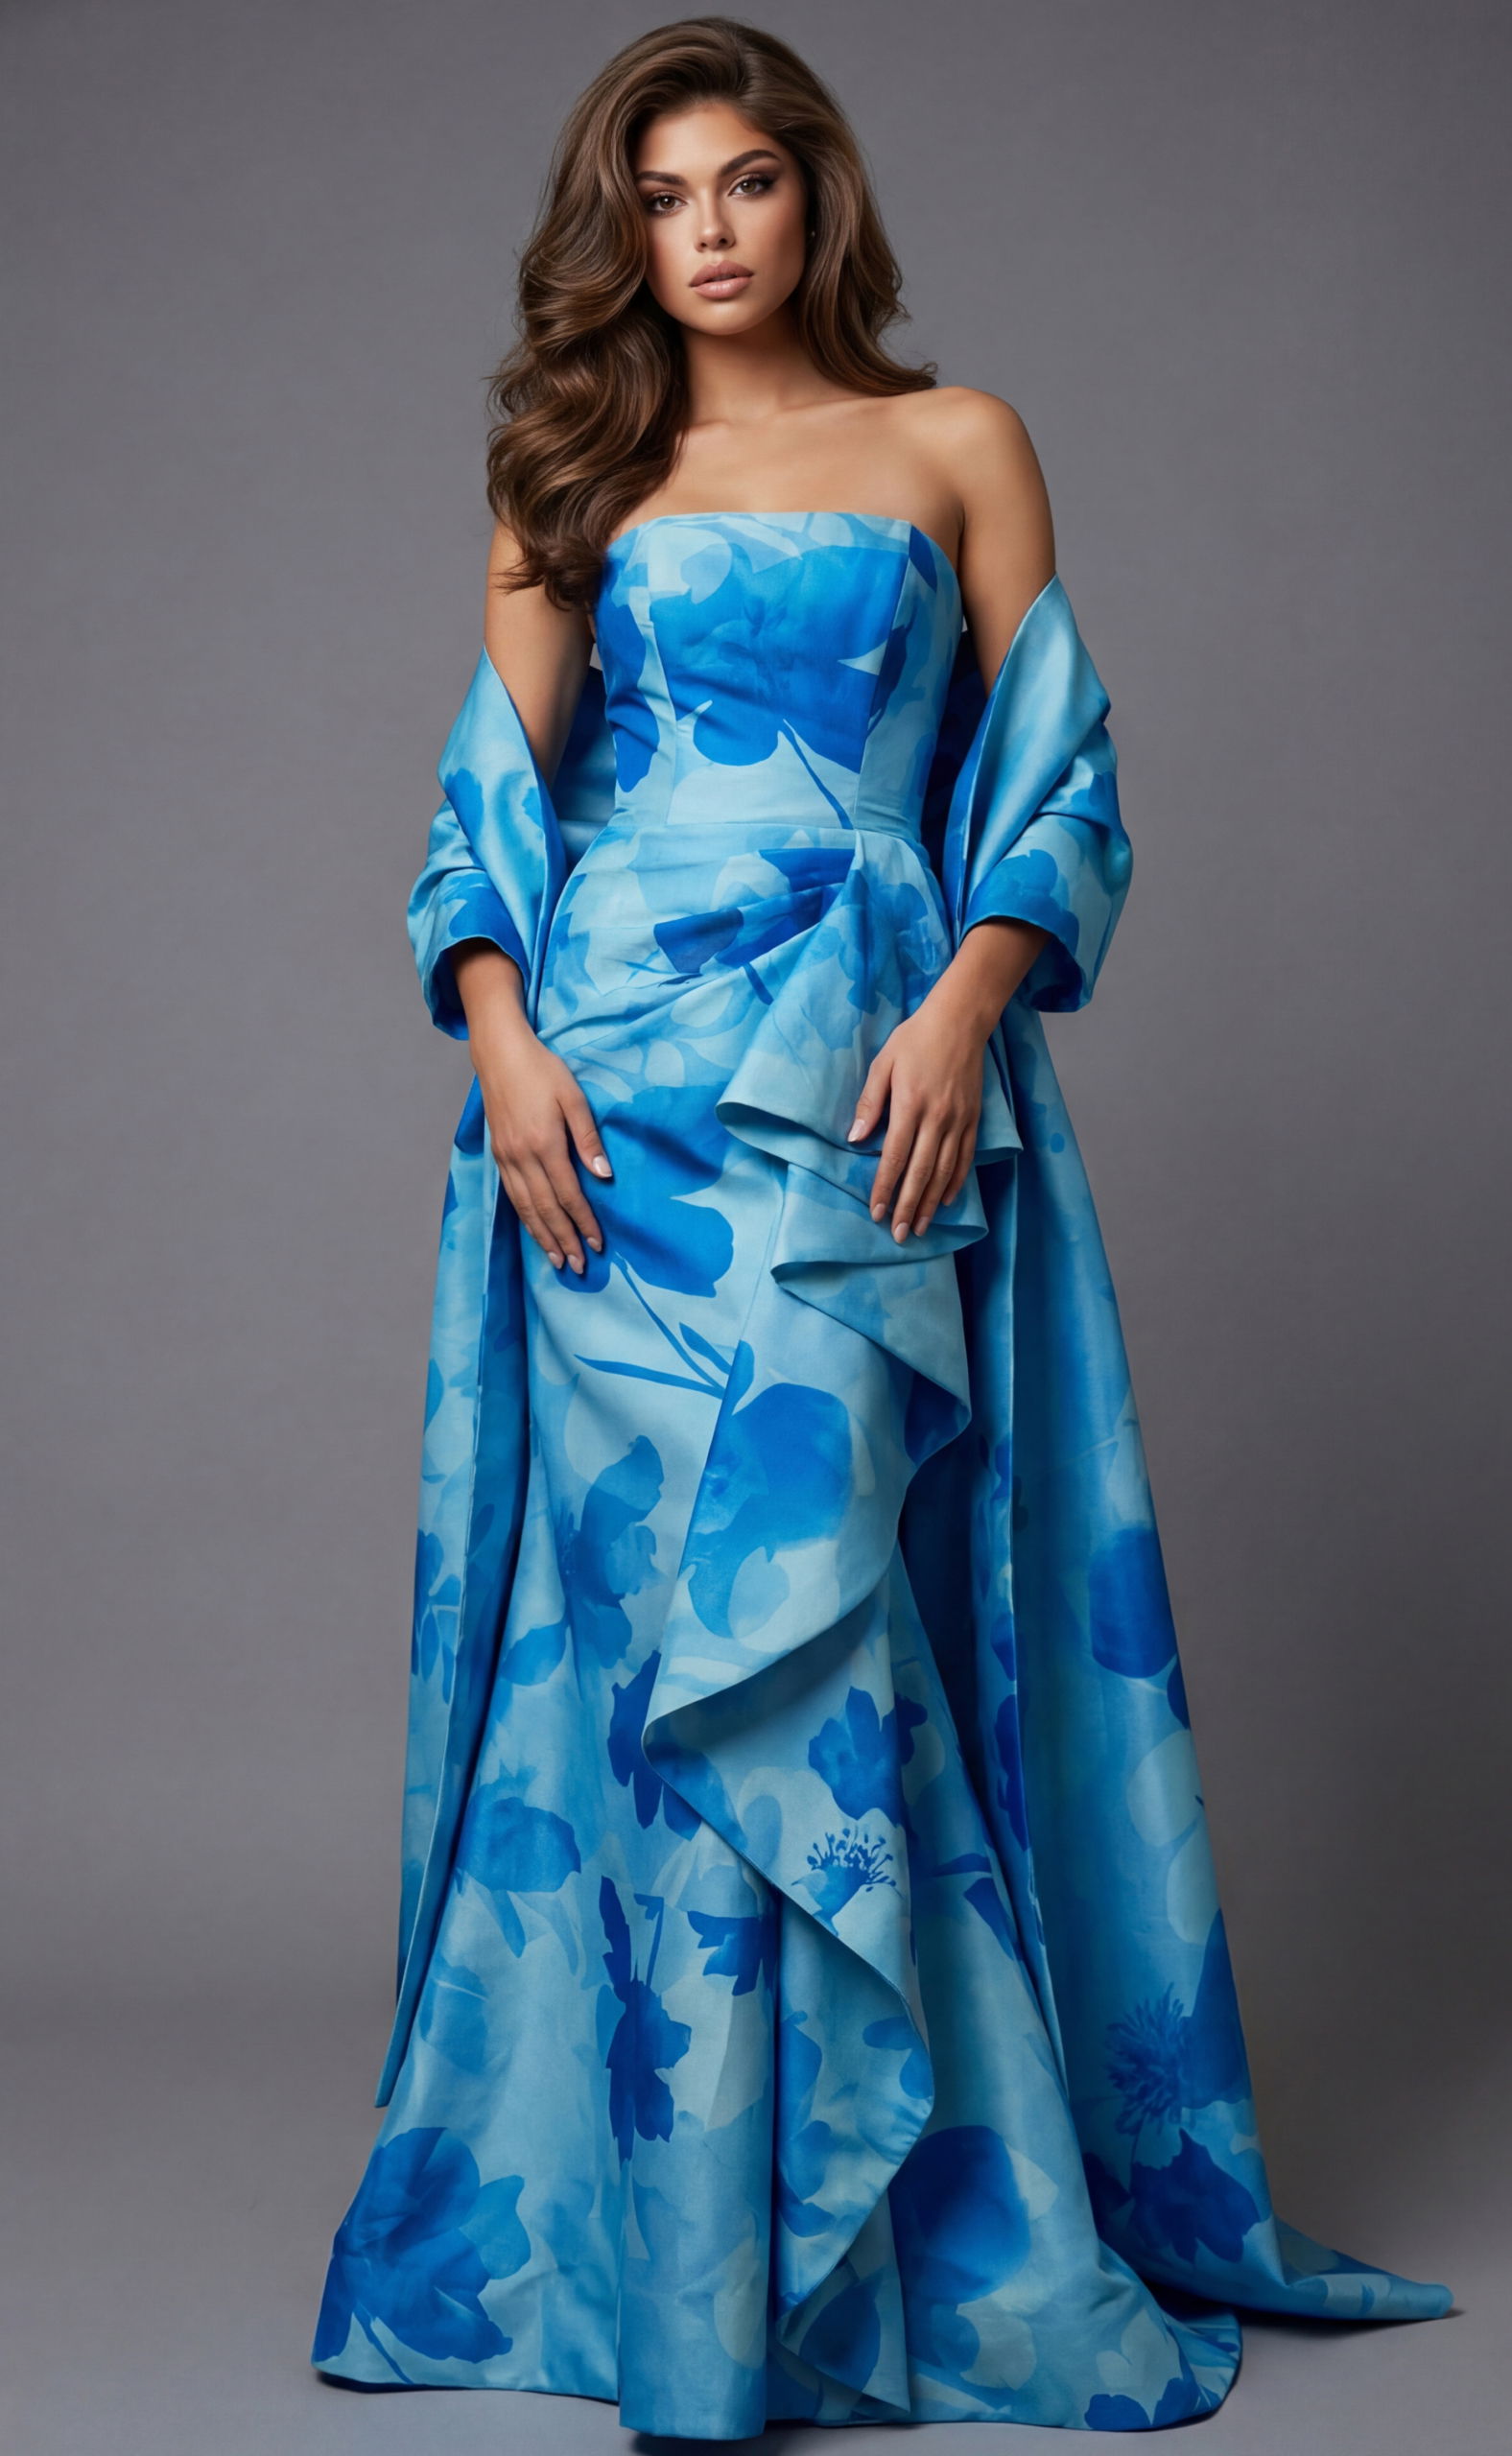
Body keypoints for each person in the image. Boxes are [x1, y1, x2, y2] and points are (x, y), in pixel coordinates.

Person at [310, 15, 1452, 2436]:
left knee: (826, 1613)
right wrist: (499, 1037)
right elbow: (482, 806)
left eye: (743, 182)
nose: (705, 232)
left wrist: (962, 1002)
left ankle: (856, 2248)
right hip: (611, 1116)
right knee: (663, 1657)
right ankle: (691, 2279)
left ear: (815, 195)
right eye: (660, 197)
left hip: (867, 1091)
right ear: (619, 231)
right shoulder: (569, 465)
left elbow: (1061, 785)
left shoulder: (959, 444)